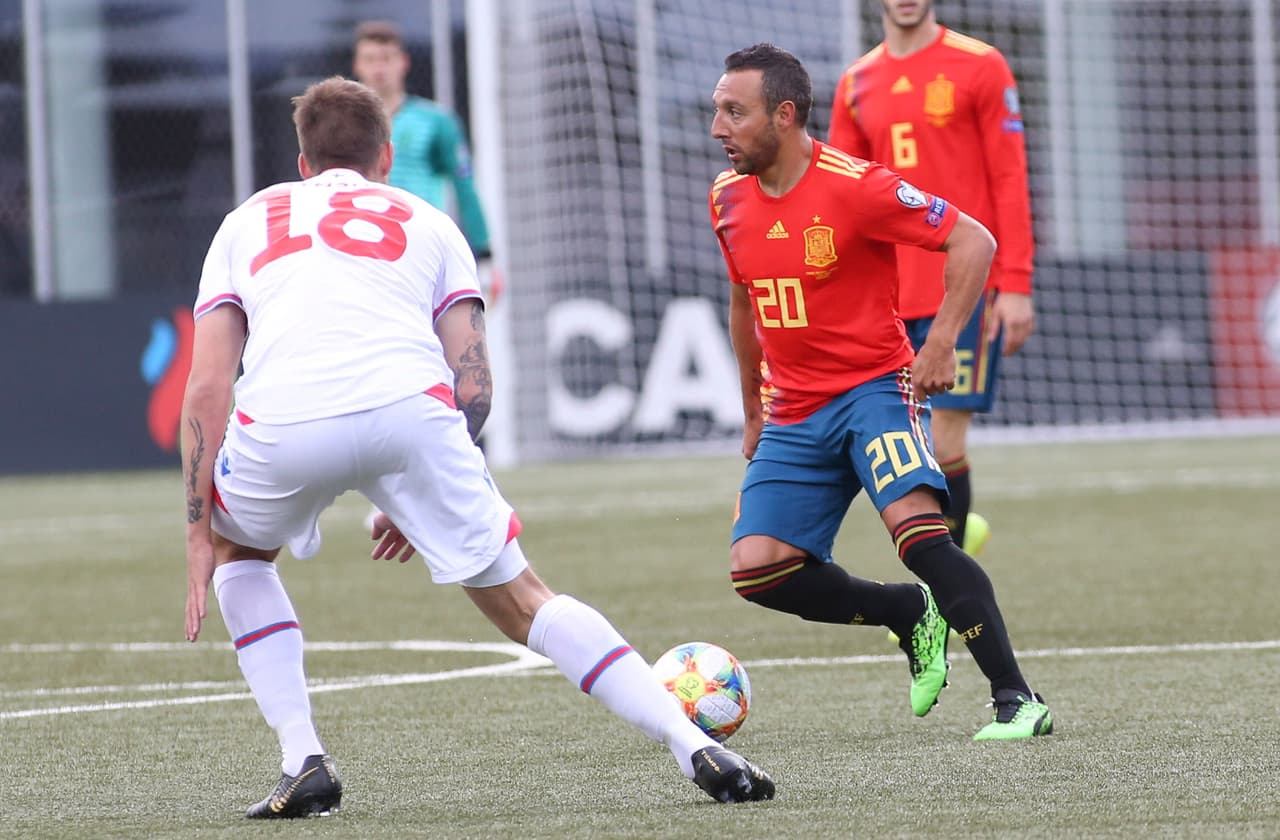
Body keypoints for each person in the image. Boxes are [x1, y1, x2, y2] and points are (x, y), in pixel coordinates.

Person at [180, 76, 774, 819]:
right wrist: (417, 488)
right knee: (526, 601)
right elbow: (475, 386)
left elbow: (206, 387)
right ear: (387, 157)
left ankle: (303, 760)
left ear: (302, 163)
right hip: (414, 416)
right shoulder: (429, 221)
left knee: (242, 556)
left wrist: (199, 528)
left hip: (284, 421)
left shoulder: (246, 221)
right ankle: (694, 744)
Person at [708, 43, 1051, 740]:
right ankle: (907, 613)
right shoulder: (726, 199)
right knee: (758, 571)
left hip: (872, 391)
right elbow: (744, 305)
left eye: (733, 111)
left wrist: (941, 341)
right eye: (717, 110)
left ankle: (1018, 699)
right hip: (796, 409)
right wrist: (753, 412)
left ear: (785, 115)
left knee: (922, 536)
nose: (718, 126)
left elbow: (974, 242)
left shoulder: (858, 186)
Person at [827, 0, 1036, 556]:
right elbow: (841, 198)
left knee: (944, 442)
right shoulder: (855, 83)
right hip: (887, 296)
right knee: (903, 452)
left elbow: (1009, 177)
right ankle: (958, 541)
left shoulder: (982, 65)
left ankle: (954, 592)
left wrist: (1014, 282)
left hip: (963, 290)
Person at [351, 19, 502, 305]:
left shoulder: (436, 122)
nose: (379, 68)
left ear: (403, 63)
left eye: (386, 59)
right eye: (370, 59)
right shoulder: (345, 126)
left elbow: (464, 186)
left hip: (421, 251)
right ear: (358, 65)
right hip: (362, 254)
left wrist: (484, 255)